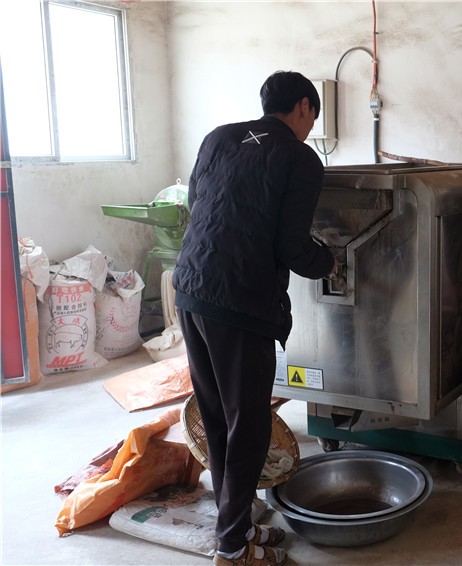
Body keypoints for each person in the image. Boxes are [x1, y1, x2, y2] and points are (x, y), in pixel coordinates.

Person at [172, 71, 338, 566]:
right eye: (312, 117)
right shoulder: (299, 158)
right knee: (248, 426)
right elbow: (292, 246)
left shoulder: (218, 137)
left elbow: (197, 204)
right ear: (304, 106)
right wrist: (330, 263)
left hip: (191, 288)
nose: (310, 126)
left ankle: (237, 527)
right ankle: (231, 548)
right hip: (240, 301)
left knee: (218, 417)